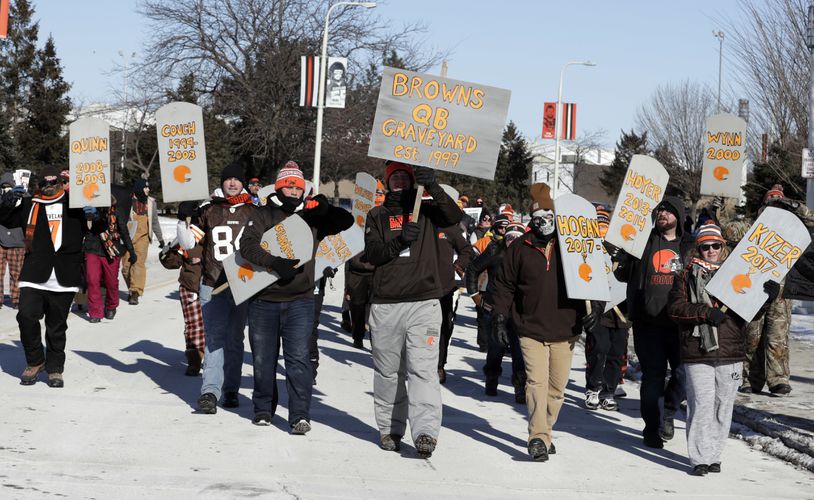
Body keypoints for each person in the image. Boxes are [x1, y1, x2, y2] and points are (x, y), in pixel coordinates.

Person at [240, 161, 353, 432]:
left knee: (299, 359)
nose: (293, 189)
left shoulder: (311, 216)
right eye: (288, 185)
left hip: (301, 300)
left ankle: (299, 414)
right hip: (263, 300)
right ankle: (263, 408)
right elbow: (247, 245)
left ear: (304, 190)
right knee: (262, 360)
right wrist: (273, 262)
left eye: (298, 186)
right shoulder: (263, 213)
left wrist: (325, 208)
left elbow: (345, 222)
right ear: (279, 187)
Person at [491, 183, 598, 462]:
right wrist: (500, 317)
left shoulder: (573, 245)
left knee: (556, 388)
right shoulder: (519, 248)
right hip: (529, 327)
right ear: (531, 221)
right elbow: (503, 285)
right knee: (535, 382)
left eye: (548, 218)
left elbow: (595, 276)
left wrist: (596, 308)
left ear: (556, 218)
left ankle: (545, 430)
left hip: (566, 328)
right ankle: (537, 437)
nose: (543, 224)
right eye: (537, 219)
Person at [365, 161, 462, 458]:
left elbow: (453, 216)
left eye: (404, 177)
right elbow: (373, 254)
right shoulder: (377, 215)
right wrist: (399, 241)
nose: (398, 182)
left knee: (423, 370)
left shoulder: (429, 210)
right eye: (393, 177)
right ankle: (390, 428)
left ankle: (425, 432)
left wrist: (432, 185)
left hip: (424, 302)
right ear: (386, 182)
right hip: (387, 304)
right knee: (389, 372)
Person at [668, 222, 780, 476]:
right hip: (698, 351)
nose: (710, 250)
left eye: (715, 245)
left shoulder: (738, 273)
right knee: (702, 404)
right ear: (698, 248)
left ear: (723, 247)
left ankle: (714, 455)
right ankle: (699, 458)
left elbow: (748, 313)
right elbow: (675, 309)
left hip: (730, 351)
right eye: (705, 246)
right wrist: (704, 312)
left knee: (723, 406)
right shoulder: (686, 274)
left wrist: (765, 299)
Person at [0, 166, 97, 387]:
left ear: (62, 183)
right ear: (39, 185)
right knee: (26, 316)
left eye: (55, 183)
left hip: (64, 275)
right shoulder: (30, 204)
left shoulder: (76, 205)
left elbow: (97, 227)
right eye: (45, 183)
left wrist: (95, 214)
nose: (50, 187)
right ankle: (35, 361)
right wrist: (7, 201)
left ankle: (54, 369)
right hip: (34, 272)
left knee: (56, 326)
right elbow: (6, 220)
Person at [614, 196, 694, 448]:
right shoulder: (642, 242)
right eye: (660, 210)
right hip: (648, 323)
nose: (663, 214)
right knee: (653, 377)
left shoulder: (689, 245)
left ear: (679, 217)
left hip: (681, 324)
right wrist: (620, 257)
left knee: (683, 374)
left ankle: (668, 412)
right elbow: (622, 274)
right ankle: (651, 427)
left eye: (669, 211)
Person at [177, 163, 254, 413]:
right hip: (213, 283)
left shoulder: (255, 211)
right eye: (227, 179)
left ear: (243, 183)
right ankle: (210, 391)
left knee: (235, 340)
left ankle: (231, 389)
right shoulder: (209, 210)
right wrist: (182, 218)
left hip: (243, 284)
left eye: (236, 179)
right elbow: (189, 242)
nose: (231, 183)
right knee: (214, 339)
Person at [740, 185, 814, 395]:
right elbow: (729, 230)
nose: (774, 208)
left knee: (777, 337)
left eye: (779, 204)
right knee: (752, 336)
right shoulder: (753, 226)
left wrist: (793, 205)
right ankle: (750, 379)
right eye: (770, 203)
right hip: (753, 287)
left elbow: (812, 220)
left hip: (781, 291)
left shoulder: (791, 229)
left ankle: (778, 379)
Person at [466, 220, 527, 402]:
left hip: (519, 310)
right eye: (509, 237)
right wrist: (476, 296)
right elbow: (472, 269)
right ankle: (491, 378)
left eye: (517, 238)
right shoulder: (495, 250)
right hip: (494, 307)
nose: (512, 241)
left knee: (519, 351)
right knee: (496, 348)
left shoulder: (528, 254)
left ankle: (520, 386)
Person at [584, 207, 629, 411]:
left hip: (621, 310)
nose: (603, 231)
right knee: (599, 348)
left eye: (605, 226)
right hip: (598, 308)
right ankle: (593, 387)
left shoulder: (623, 249)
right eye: (599, 226)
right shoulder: (588, 249)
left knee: (616, 352)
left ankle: (609, 391)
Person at [160, 201, 206, 376]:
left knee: (215, 326)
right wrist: (167, 252)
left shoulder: (218, 232)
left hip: (215, 285)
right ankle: (194, 360)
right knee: (194, 325)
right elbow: (171, 260)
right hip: (190, 284)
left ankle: (215, 361)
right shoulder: (189, 232)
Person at [83, 195, 135, 322]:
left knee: (111, 281)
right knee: (92, 280)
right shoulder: (88, 209)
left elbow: (123, 231)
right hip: (92, 247)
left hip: (111, 249)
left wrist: (131, 250)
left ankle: (111, 306)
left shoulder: (117, 210)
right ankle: (95, 312)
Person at [436, 222, 474, 384]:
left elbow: (467, 250)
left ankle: (439, 365)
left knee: (445, 326)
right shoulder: (417, 223)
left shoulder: (449, 229)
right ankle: (416, 364)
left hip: (444, 287)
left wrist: (459, 264)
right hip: (418, 286)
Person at [122, 178, 164, 305]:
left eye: (148, 187)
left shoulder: (151, 202)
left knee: (138, 264)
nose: (148, 190)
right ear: (139, 188)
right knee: (126, 268)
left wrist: (160, 239)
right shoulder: (128, 200)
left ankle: (135, 292)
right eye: (146, 187)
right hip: (128, 238)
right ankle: (131, 288)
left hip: (143, 238)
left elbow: (155, 222)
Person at [0, 172, 26, 309]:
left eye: (8, 186)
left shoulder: (24, 197)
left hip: (17, 240)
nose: (6, 189)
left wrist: (22, 195)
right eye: (3, 187)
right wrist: (7, 198)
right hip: (1, 239)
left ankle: (17, 298)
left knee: (16, 272)